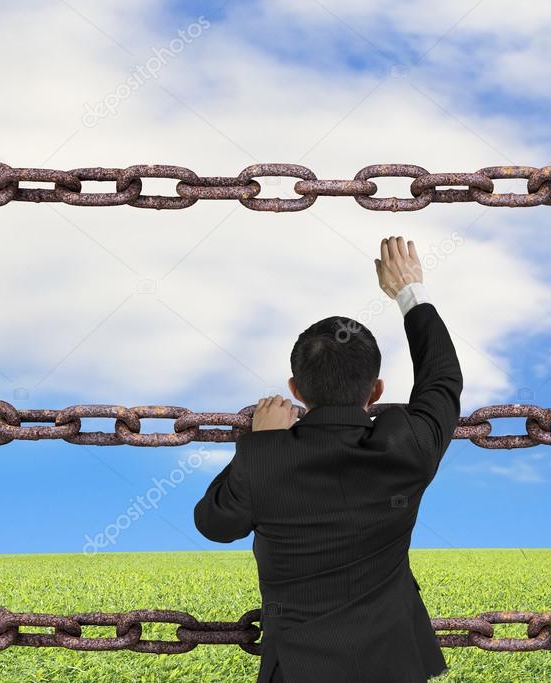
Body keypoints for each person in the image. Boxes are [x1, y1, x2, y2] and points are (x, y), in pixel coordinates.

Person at [194, 236, 463, 682]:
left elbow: (214, 524)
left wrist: (262, 443)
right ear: (376, 391)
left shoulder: (268, 461)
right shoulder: (406, 446)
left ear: (295, 389)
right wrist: (409, 291)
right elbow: (442, 380)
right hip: (395, 668)